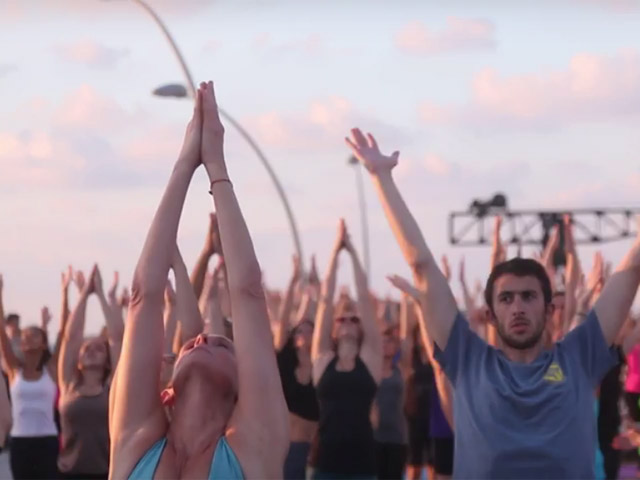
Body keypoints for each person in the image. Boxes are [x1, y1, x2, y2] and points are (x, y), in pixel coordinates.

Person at [346, 127, 640, 478]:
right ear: (489, 314)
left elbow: (633, 266)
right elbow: (421, 265)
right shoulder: (467, 358)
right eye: (506, 298)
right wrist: (381, 178)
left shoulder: (580, 356)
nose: (518, 307)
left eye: (529, 297)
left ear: (549, 310)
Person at [108, 81, 289, 480]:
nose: (204, 336)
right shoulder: (134, 442)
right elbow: (143, 296)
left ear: (244, 388)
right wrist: (185, 161)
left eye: (223, 343)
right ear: (166, 391)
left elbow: (248, 293)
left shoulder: (255, 447)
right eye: (197, 342)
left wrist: (217, 168)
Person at [310, 220, 383, 479]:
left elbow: (364, 297)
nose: (349, 323)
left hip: (362, 465)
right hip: (324, 463)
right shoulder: (322, 358)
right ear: (333, 327)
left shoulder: (371, 359)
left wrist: (351, 250)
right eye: (343, 319)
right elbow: (325, 301)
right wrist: (335, 252)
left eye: (354, 319)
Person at [57, 265, 123, 480]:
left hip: (105, 473)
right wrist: (85, 294)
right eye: (87, 348)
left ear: (107, 362)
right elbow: (72, 337)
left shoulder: (112, 387)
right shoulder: (68, 385)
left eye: (98, 348)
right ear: (78, 360)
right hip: (69, 473)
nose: (92, 350)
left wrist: (102, 295)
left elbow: (116, 338)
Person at [0, 274, 59, 479]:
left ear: (43, 343)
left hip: (47, 441)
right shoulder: (14, 370)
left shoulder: (50, 370)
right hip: (20, 442)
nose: (27, 339)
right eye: (24, 337)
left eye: (33, 335)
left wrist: (66, 293)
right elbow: (2, 334)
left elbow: (67, 334)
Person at [274, 256, 319, 480]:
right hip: (282, 448)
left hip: (313, 450)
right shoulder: (285, 361)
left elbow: (322, 314)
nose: (304, 333)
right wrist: (292, 281)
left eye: (310, 329)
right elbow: (283, 321)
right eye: (300, 330)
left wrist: (316, 290)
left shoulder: (323, 365)